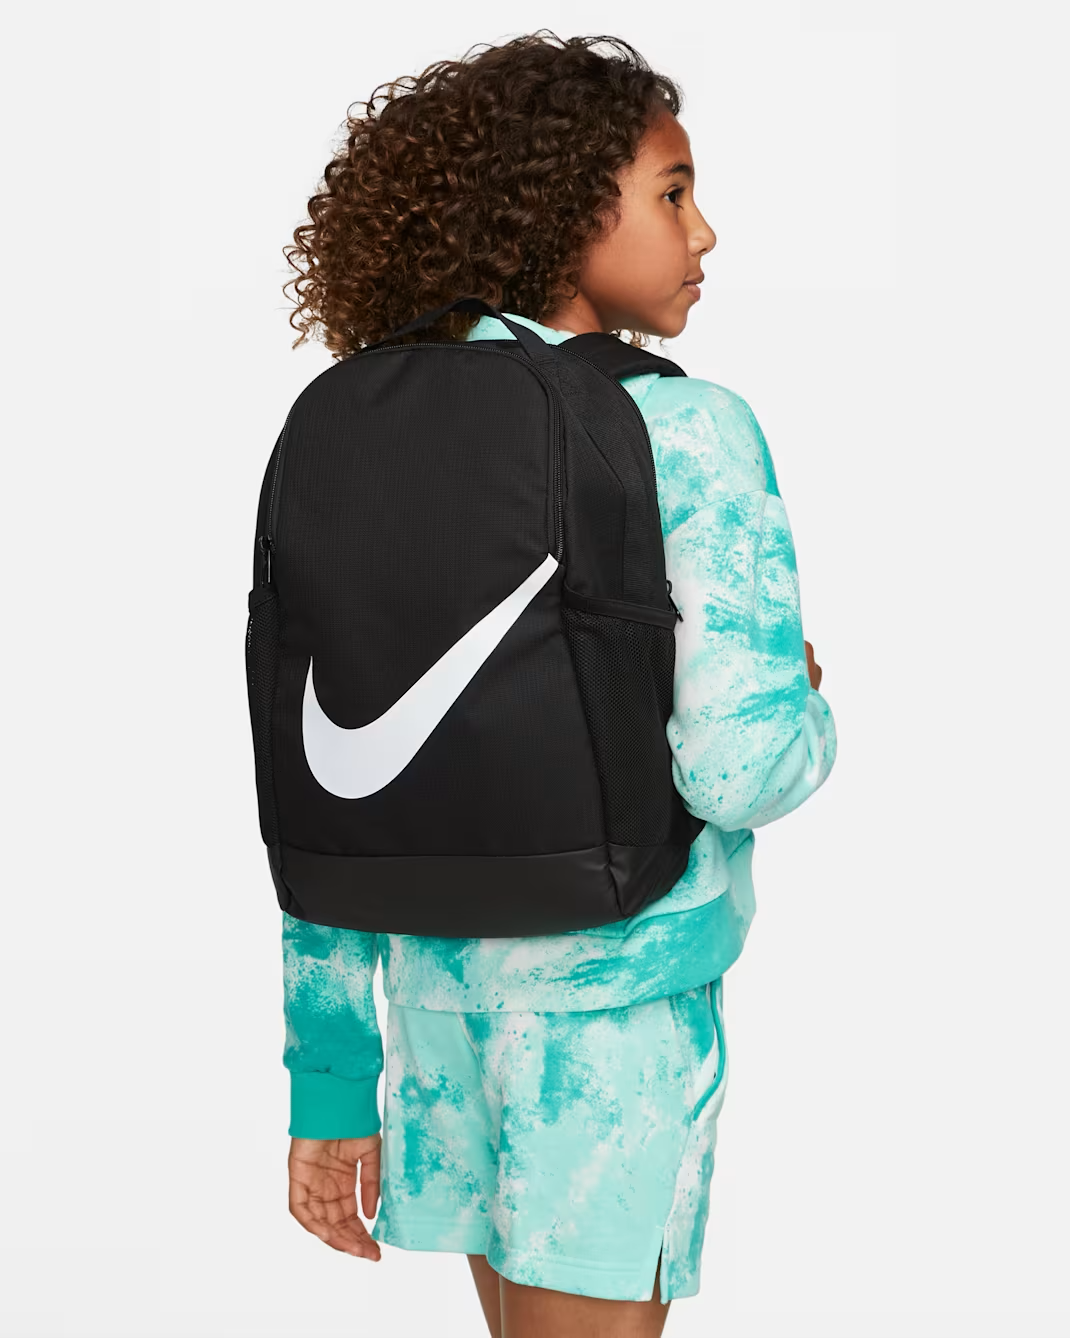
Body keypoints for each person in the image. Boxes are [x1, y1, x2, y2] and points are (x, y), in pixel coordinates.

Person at [276, 30, 836, 1338]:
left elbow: (318, 780)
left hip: (427, 1000)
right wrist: (801, 696)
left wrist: (330, 1081)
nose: (704, 231)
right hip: (611, 1009)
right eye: (671, 192)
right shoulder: (684, 427)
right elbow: (738, 767)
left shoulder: (355, 424)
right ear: (564, 210)